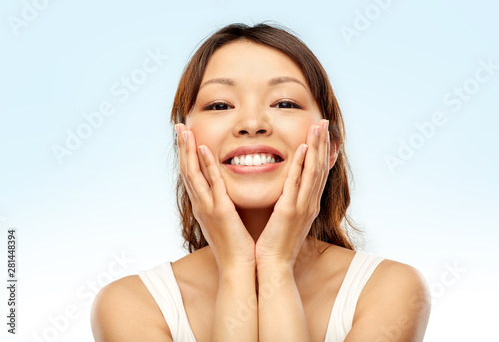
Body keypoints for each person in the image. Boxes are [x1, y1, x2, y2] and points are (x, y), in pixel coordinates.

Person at [91, 23, 431, 341]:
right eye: (220, 104)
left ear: (330, 149)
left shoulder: (390, 290)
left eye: (284, 102)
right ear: (183, 142)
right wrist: (238, 267)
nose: (252, 123)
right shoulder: (130, 305)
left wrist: (275, 266)